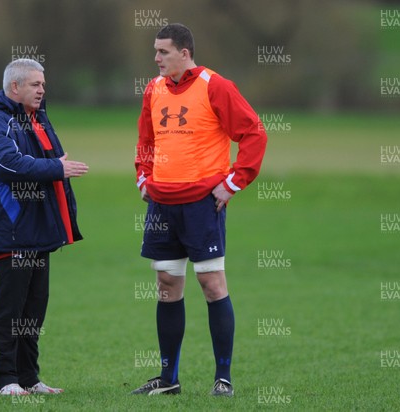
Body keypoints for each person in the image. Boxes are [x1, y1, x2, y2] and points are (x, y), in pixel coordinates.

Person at [132, 23, 267, 397]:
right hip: (161, 205)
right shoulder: (153, 89)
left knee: (211, 284)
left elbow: (254, 133)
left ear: (184, 53)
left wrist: (233, 183)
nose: (156, 58)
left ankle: (222, 379)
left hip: (201, 206)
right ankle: (168, 379)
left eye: (163, 51)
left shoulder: (215, 85)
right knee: (166, 286)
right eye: (155, 51)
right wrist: (144, 178)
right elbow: (146, 140)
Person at [0, 58, 88, 396]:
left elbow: (52, 161)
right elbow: (3, 163)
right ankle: (3, 380)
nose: (42, 89)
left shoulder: (37, 118)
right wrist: (55, 167)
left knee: (33, 309)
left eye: (43, 84)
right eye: (36, 84)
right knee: (8, 308)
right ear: (15, 87)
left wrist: (56, 167)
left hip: (37, 232)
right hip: (10, 231)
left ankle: (28, 377)